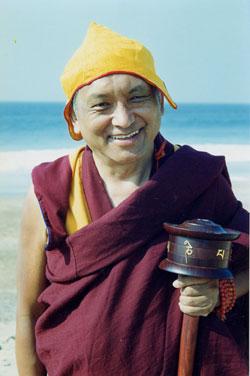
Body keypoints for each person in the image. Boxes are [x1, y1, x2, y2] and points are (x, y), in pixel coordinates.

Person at [15, 22, 249, 376]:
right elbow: (27, 315)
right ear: (75, 120)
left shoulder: (195, 179)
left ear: (161, 103)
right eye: (102, 105)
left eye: (138, 97)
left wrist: (222, 292)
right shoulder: (52, 191)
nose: (123, 119)